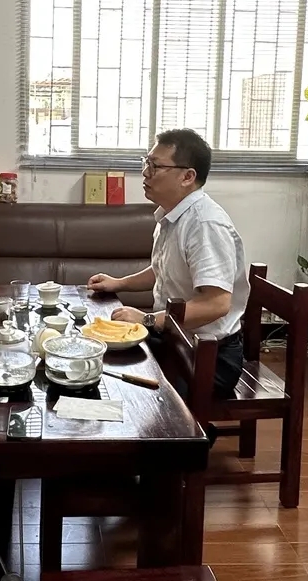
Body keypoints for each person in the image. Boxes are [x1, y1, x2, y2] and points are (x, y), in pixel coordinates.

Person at [88, 128, 249, 403]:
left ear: (188, 177)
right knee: (99, 353)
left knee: (133, 395)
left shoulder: (205, 224)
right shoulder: (172, 215)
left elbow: (217, 304)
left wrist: (147, 319)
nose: (145, 173)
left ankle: (187, 430)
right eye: (146, 163)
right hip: (174, 339)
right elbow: (163, 269)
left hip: (209, 358)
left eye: (155, 166)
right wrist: (119, 283)